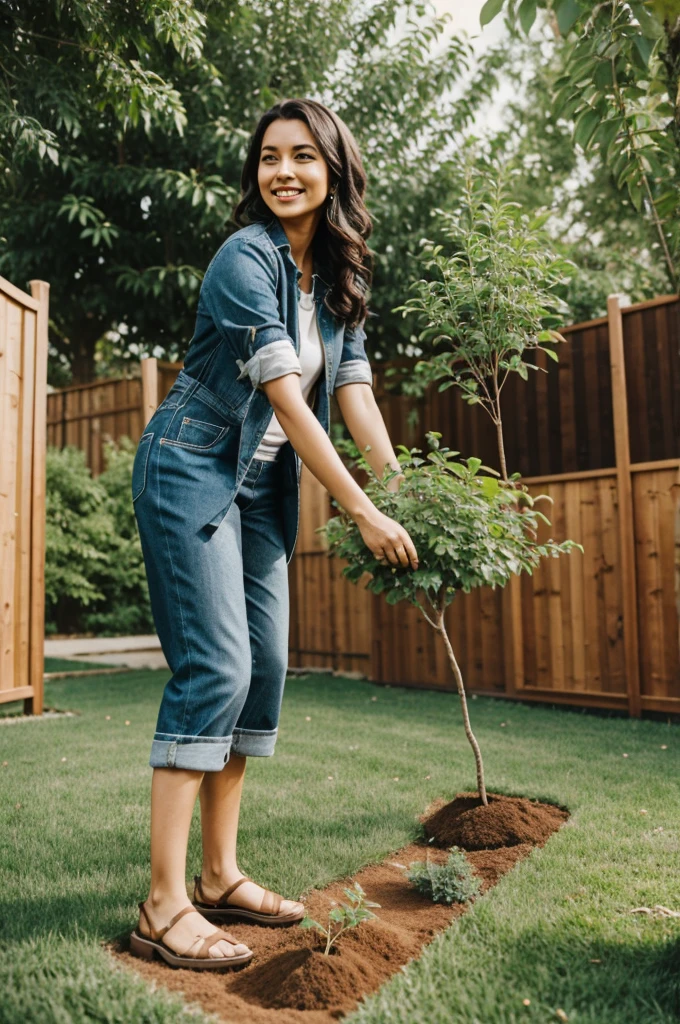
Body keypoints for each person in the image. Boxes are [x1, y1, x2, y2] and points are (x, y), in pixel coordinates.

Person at [129, 97, 419, 970]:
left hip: (262, 494)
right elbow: (289, 401)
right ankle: (163, 903)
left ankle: (218, 876)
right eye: (267, 157)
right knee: (215, 666)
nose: (282, 171)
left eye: (301, 156)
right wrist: (361, 511)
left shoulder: (336, 280)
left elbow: (355, 392)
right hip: (190, 468)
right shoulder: (243, 258)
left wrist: (405, 486)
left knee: (262, 673)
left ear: (333, 169)